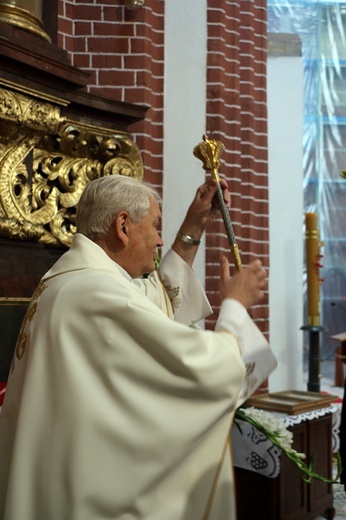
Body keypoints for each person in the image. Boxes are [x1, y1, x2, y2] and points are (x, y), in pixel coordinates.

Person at [0, 174, 276, 520]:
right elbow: (201, 369)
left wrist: (193, 227)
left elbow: (154, 298)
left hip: (60, 472)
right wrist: (235, 306)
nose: (160, 240)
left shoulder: (72, 281)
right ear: (123, 225)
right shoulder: (94, 293)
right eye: (156, 226)